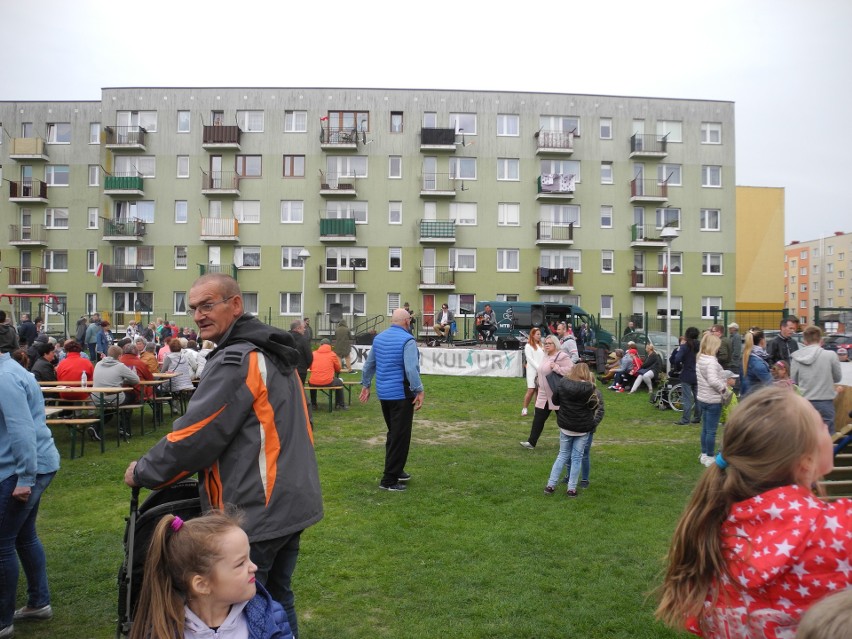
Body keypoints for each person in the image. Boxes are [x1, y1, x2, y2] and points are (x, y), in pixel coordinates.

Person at [125, 273, 322, 637]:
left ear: (235, 305)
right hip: (293, 498)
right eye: (194, 308)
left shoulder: (239, 358)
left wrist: (143, 472)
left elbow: (195, 436)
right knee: (276, 598)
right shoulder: (275, 349)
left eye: (208, 305)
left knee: (241, 611)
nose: (199, 315)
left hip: (257, 507)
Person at [656, 387, 851, 638]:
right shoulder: (840, 528)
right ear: (806, 461)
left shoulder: (712, 534)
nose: (828, 427)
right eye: (822, 424)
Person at [128, 511, 293, 639]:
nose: (254, 567)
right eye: (240, 563)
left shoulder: (272, 617)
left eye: (248, 558)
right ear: (201, 585)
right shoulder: (164, 631)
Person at [0, 346, 61, 638]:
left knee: (2, 544)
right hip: (31, 465)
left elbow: (21, 428)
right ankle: (38, 603)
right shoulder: (13, 371)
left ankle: (3, 621)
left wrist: (25, 477)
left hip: (21, 470)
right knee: (24, 537)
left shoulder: (4, 377)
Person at [359, 308, 424, 491]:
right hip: (401, 395)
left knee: (394, 433)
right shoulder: (407, 340)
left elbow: (369, 365)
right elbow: (411, 370)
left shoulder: (379, 339)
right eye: (410, 320)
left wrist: (366, 385)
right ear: (406, 321)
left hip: (385, 395)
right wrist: (419, 390)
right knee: (400, 436)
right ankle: (389, 480)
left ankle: (396, 470)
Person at [543, 363, 599, 497]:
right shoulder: (590, 388)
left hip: (566, 425)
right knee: (577, 458)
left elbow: (555, 401)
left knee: (562, 455)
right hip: (582, 427)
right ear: (586, 373)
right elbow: (593, 406)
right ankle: (571, 489)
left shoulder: (562, 384)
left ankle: (550, 485)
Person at [520, 335, 573, 449]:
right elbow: (542, 370)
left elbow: (571, 371)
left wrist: (557, 368)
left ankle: (571, 442)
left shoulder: (562, 356)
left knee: (563, 421)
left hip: (557, 394)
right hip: (543, 394)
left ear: (556, 344)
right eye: (545, 343)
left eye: (549, 343)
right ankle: (531, 442)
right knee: (538, 419)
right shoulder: (545, 356)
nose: (547, 345)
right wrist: (538, 380)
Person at [791, 325, 842, 434]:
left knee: (807, 436)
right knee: (828, 438)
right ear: (821, 340)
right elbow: (838, 378)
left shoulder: (797, 357)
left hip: (805, 402)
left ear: (804, 341)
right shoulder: (831, 355)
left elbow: (793, 380)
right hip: (826, 401)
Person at [562, 368, 605, 490]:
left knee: (584, 454)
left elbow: (600, 411)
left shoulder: (596, 393)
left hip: (588, 428)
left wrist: (593, 424)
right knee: (569, 453)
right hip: (576, 426)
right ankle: (569, 475)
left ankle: (585, 479)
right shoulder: (577, 392)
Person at [696, 332, 729, 468]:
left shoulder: (700, 358)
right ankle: (709, 456)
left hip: (702, 398)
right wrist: (724, 389)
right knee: (711, 431)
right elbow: (713, 380)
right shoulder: (711, 362)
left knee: (705, 429)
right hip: (713, 400)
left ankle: (704, 453)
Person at [672, 327, 701, 425]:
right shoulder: (700, 345)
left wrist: (678, 368)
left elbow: (677, 359)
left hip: (687, 374)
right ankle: (697, 417)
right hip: (698, 374)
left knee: (687, 398)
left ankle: (685, 419)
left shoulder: (685, 346)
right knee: (698, 398)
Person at [309, 339, 346, 410]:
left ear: (320, 345)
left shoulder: (313, 354)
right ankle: (340, 404)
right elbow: (338, 369)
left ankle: (313, 404)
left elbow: (310, 367)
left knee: (312, 381)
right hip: (328, 381)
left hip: (314, 381)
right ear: (330, 346)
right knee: (339, 382)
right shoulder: (332, 354)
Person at [740, 328, 772, 396]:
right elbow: (770, 384)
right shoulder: (757, 363)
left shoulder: (746, 357)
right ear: (762, 341)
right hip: (755, 400)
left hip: (746, 398)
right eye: (765, 338)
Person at [521, 327, 544, 416]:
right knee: (531, 389)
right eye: (537, 334)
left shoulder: (541, 345)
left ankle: (536, 409)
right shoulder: (528, 346)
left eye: (540, 334)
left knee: (538, 390)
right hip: (532, 370)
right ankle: (525, 408)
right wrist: (538, 367)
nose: (539, 336)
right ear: (533, 335)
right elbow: (530, 359)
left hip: (541, 370)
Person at [288, 320, 313, 386]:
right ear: (298, 328)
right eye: (303, 327)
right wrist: (304, 367)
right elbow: (309, 357)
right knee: (299, 392)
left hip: (287, 370)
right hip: (301, 371)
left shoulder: (285, 338)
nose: (304, 329)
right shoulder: (304, 340)